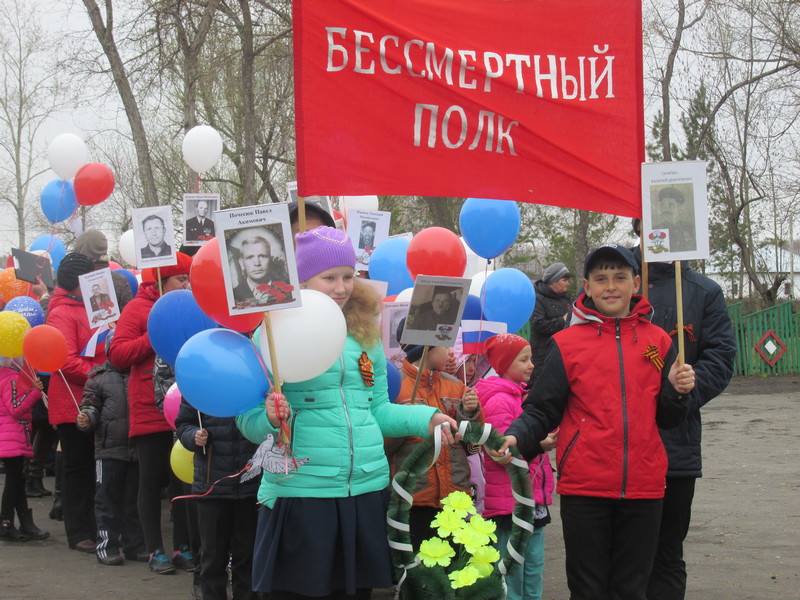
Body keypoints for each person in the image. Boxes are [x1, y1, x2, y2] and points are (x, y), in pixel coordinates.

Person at [237, 225, 458, 600]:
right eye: (329, 278)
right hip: (303, 495)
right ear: (301, 280)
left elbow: (379, 411)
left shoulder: (363, 335)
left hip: (365, 492)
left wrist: (426, 418)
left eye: (348, 276)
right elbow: (249, 421)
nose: (341, 288)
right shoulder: (271, 334)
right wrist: (271, 419)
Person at [495, 244, 696, 600]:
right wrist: (515, 436)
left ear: (636, 284)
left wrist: (678, 392)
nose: (611, 287)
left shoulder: (658, 342)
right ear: (586, 286)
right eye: (601, 279)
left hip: (644, 487)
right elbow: (543, 409)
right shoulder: (566, 343)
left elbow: (668, 417)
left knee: (631, 589)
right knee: (588, 589)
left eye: (620, 278)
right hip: (585, 486)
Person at [631, 219, 737, 600]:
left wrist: (680, 395)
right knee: (623, 554)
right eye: (651, 227)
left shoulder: (704, 292)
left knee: (666, 554)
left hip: (675, 445)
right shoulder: (617, 285)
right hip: (619, 446)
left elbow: (721, 357)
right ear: (638, 230)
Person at [108, 253, 196, 575]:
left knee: (182, 480)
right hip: (148, 408)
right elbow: (117, 353)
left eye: (188, 278)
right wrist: (156, 334)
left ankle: (183, 547)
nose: (186, 284)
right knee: (151, 481)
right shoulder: (137, 309)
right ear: (161, 281)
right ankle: (154, 549)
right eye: (180, 279)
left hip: (184, 406)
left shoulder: (190, 303)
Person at [386, 321, 483, 550]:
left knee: (453, 566)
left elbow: (473, 442)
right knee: (419, 567)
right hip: (415, 498)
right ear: (427, 347)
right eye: (446, 346)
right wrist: (408, 422)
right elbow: (385, 446)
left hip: (454, 497)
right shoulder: (396, 386)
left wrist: (471, 412)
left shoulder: (455, 386)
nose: (451, 353)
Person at [475, 334, 555, 600]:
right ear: (504, 363)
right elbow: (499, 453)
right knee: (513, 568)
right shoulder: (499, 400)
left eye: (531, 358)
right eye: (523, 360)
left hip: (531, 497)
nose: (531, 365)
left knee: (533, 564)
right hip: (510, 501)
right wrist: (539, 444)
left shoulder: (523, 398)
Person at [46, 252, 107, 553]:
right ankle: (79, 530)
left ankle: (95, 527)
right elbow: (65, 361)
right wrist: (101, 378)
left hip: (92, 397)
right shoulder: (62, 313)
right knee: (78, 467)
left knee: (92, 467)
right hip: (73, 401)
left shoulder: (87, 306)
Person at [175, 401, 260, 600]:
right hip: (211, 487)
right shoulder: (199, 387)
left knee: (247, 556)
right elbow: (183, 424)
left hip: (250, 486)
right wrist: (193, 436)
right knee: (212, 557)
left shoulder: (253, 382)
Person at [76, 331, 146, 565]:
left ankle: (135, 545)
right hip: (108, 451)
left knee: (133, 502)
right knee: (106, 501)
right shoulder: (98, 378)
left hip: (136, 449)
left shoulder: (141, 373)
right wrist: (86, 416)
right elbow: (89, 405)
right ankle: (106, 545)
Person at [0, 360, 48, 541]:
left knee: (18, 481)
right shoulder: (11, 378)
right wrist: (35, 392)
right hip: (12, 435)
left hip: (10, 435)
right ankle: (5, 522)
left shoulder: (4, 376)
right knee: (14, 482)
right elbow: (16, 408)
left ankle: (22, 523)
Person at [528, 262, 572, 384]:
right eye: (564, 280)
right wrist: (562, 320)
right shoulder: (537, 298)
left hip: (563, 353)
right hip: (542, 356)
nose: (567, 283)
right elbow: (538, 324)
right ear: (554, 281)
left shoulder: (564, 298)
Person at [232, 235, 279, 304]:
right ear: (242, 263)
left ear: (270, 260)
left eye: (262, 256)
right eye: (250, 257)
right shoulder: (234, 294)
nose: (257, 263)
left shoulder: (287, 289)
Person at [652, 187, 696, 252]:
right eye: (663, 205)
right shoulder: (655, 231)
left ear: (680, 208)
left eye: (670, 205)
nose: (665, 209)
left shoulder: (691, 229)